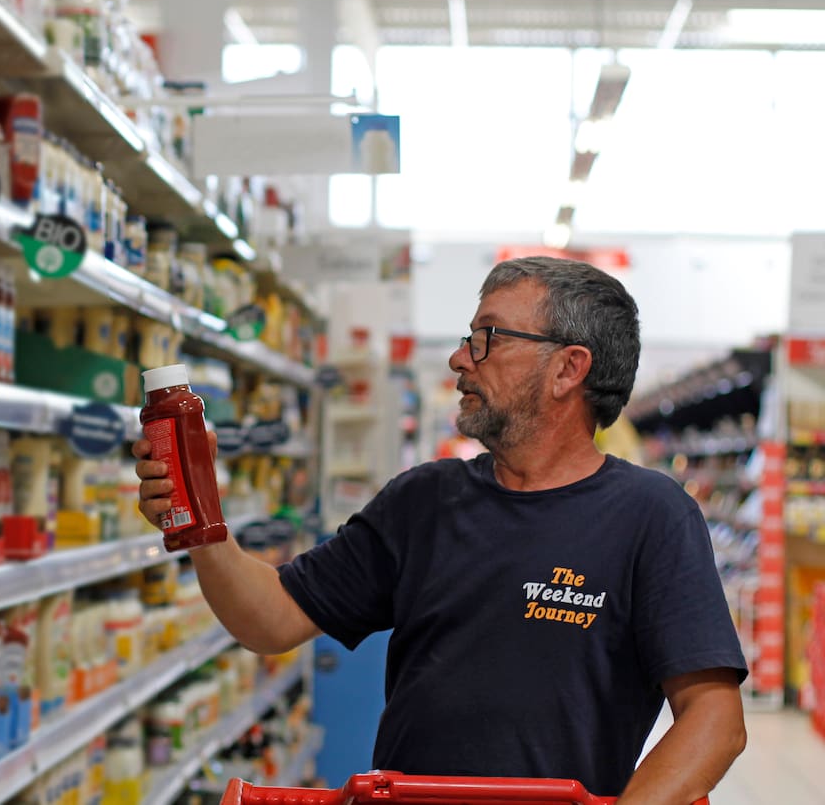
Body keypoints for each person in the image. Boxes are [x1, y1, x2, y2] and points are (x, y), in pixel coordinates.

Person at [133, 256, 747, 805]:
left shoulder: (651, 515)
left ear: (568, 369)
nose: (460, 359)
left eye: (487, 338)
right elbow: (269, 620)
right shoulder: (423, 500)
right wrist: (199, 520)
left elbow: (714, 719)